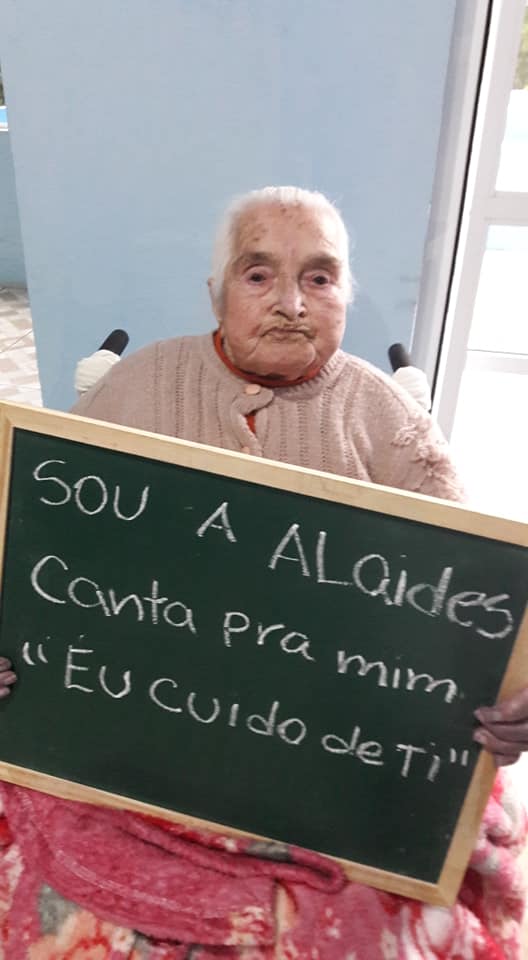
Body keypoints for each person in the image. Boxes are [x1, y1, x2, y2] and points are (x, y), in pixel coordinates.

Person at [0, 186, 526, 958]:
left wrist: (512, 696)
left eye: (319, 277)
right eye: (257, 275)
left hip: (334, 771)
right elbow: (30, 552)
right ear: (214, 292)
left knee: (391, 928)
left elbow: (478, 617)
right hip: (130, 746)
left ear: (346, 295)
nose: (291, 303)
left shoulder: (391, 423)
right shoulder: (138, 385)